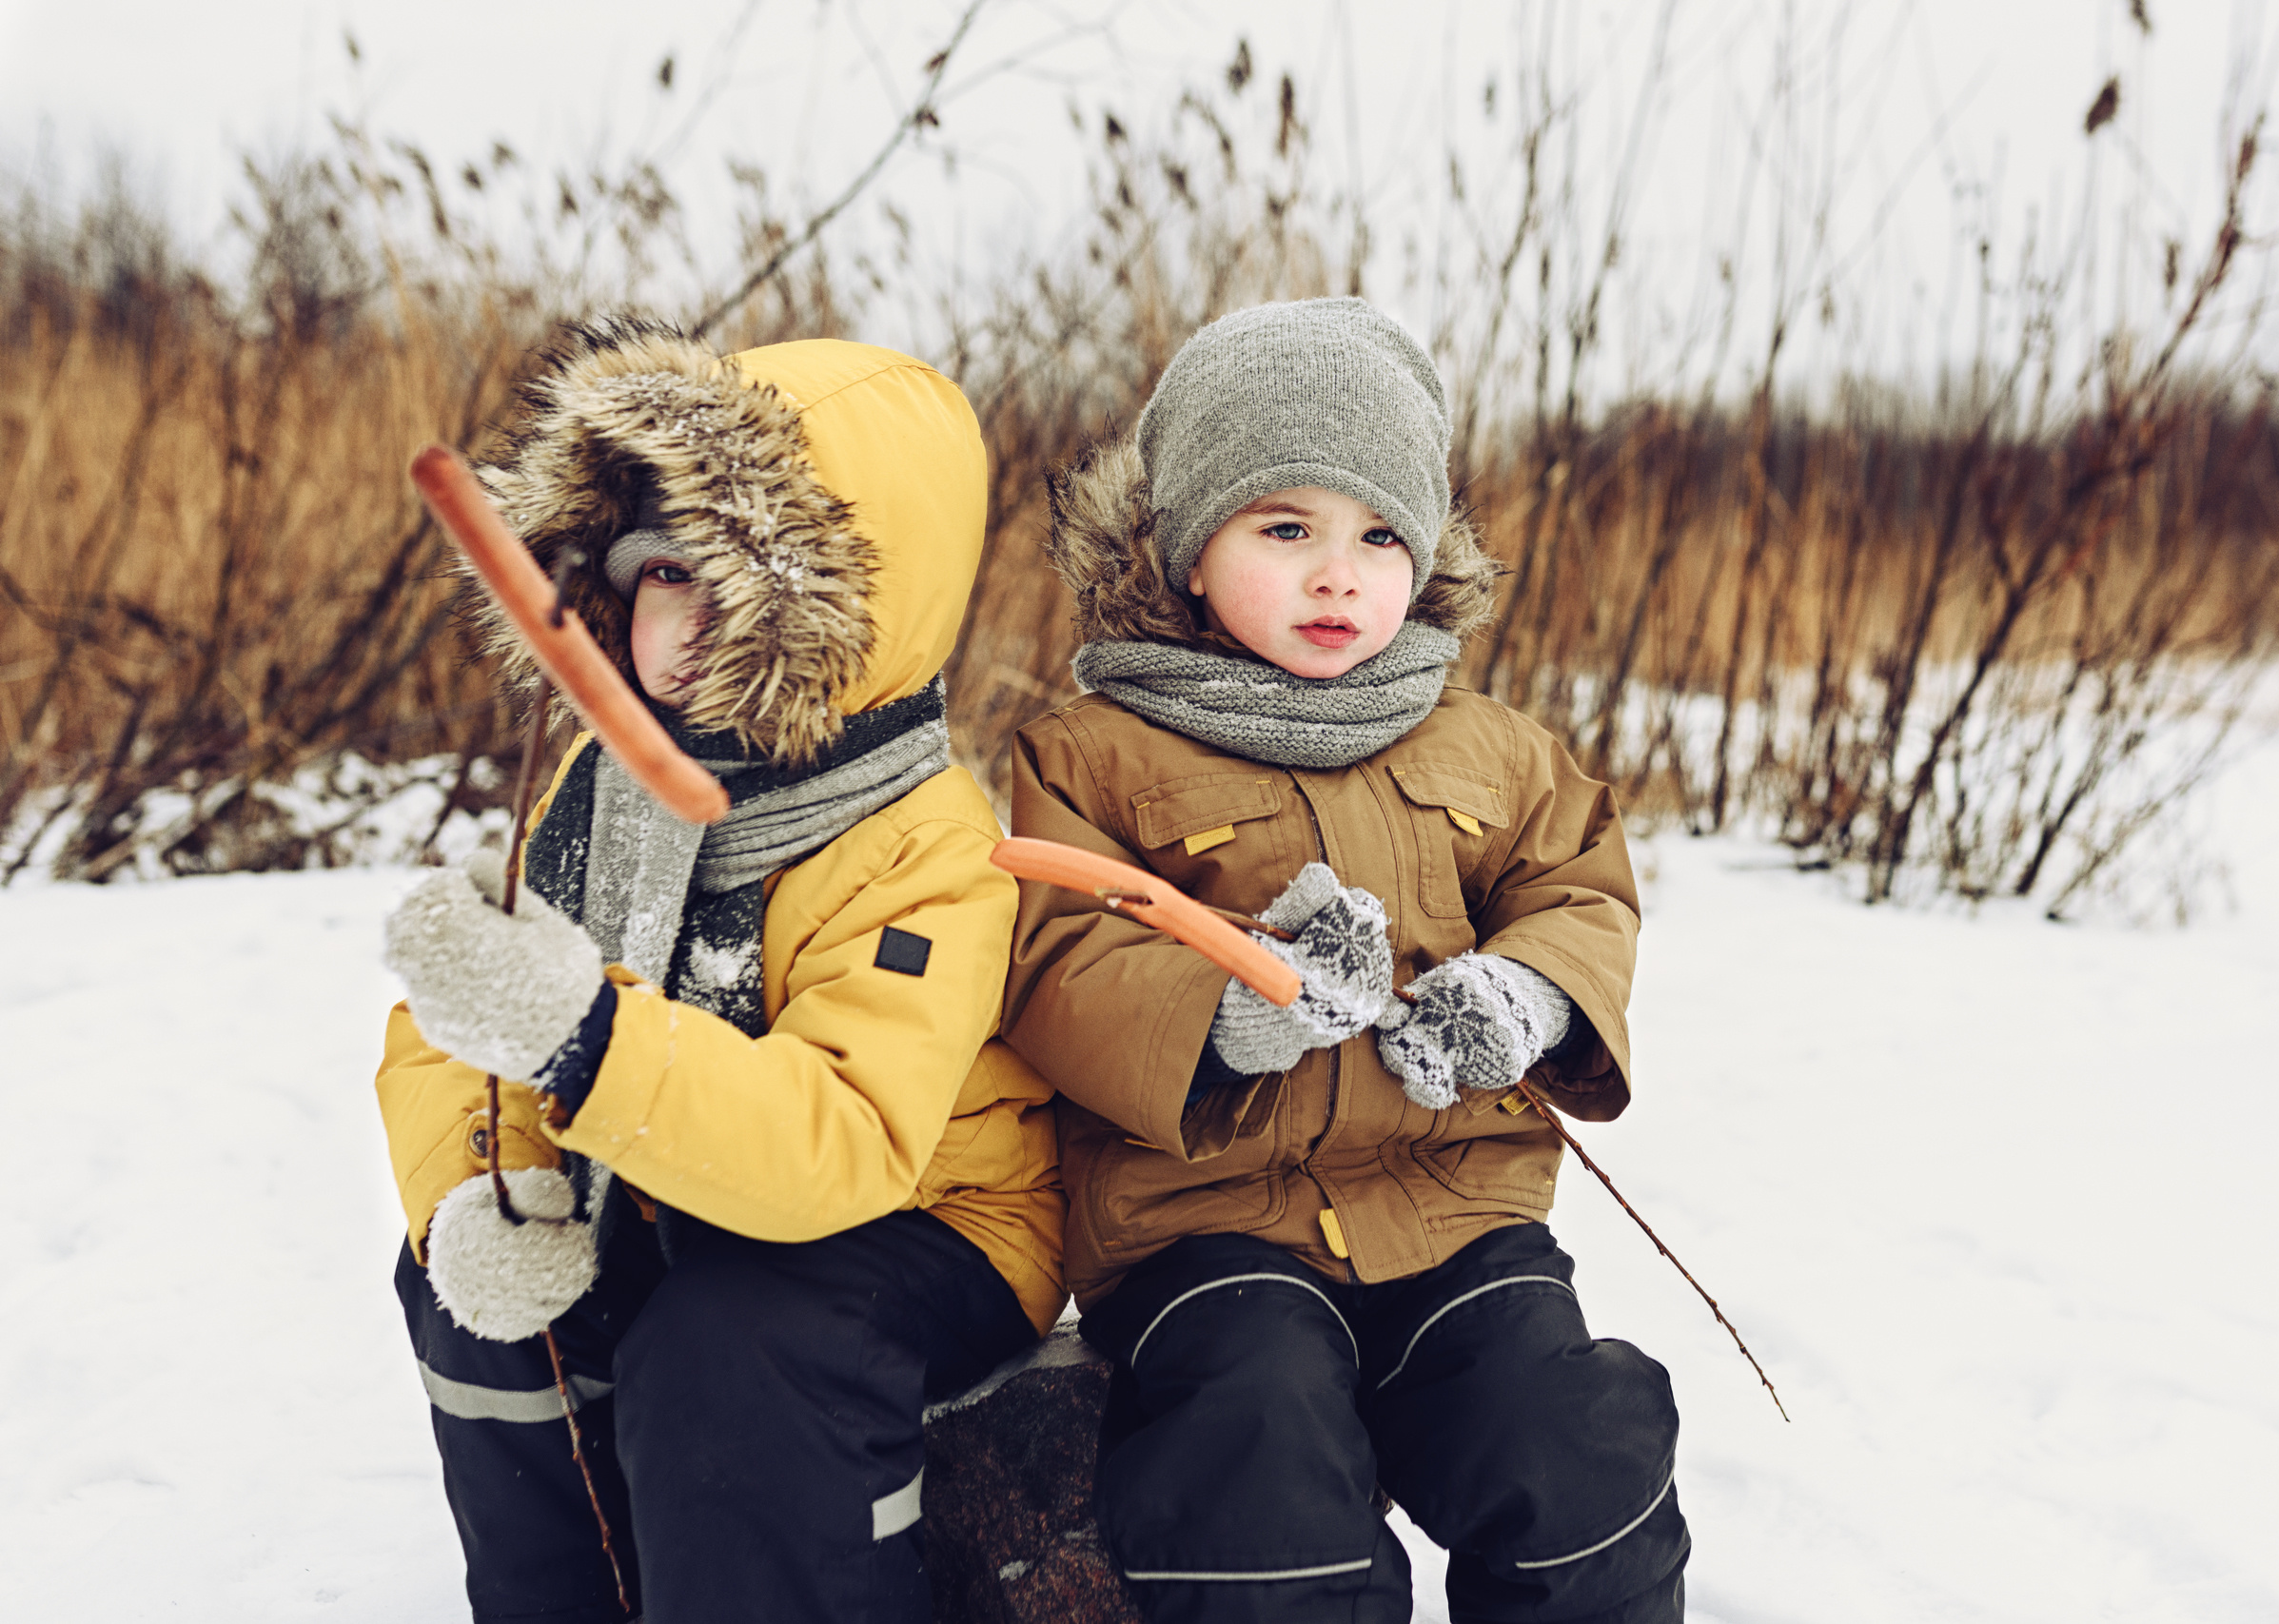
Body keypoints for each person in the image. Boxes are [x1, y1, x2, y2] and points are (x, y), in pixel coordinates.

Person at [1001, 297, 1688, 1624]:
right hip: (1206, 1235)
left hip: (1454, 1217)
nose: (1339, 574)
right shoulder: (1092, 755)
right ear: (1191, 548)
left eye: (1379, 535)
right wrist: (1232, 1011)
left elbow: (1578, 888)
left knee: (1575, 1459)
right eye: (1285, 528)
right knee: (1256, 1492)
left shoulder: (1486, 746)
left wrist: (1525, 993)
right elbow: (1055, 959)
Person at [375, 317, 1064, 1624]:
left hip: (928, 1219)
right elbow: (461, 1034)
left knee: (730, 1343)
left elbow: (846, 1136)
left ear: (842, 612)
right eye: (661, 576)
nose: (684, 626)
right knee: (482, 1289)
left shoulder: (923, 840)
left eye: (734, 589)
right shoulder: (599, 790)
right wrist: (486, 1182)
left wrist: (586, 1040)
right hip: (671, 1181)